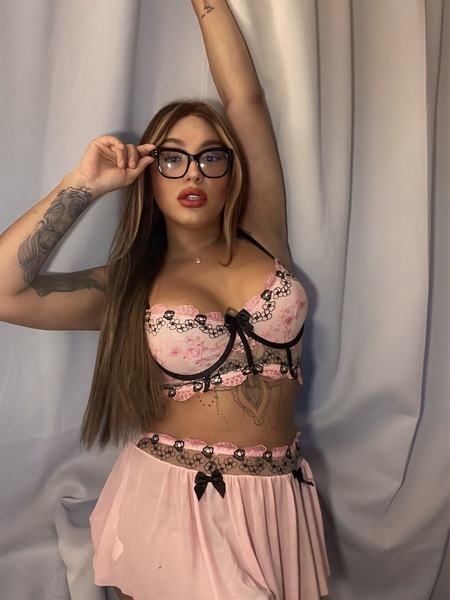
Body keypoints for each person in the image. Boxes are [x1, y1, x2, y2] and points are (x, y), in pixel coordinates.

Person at [0, 1, 329, 598]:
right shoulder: (128, 288)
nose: (193, 173)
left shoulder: (263, 234)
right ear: (148, 175)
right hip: (178, 506)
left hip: (278, 499)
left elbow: (246, 101)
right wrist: (84, 185)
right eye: (171, 158)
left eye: (210, 156)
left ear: (231, 170)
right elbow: (6, 292)